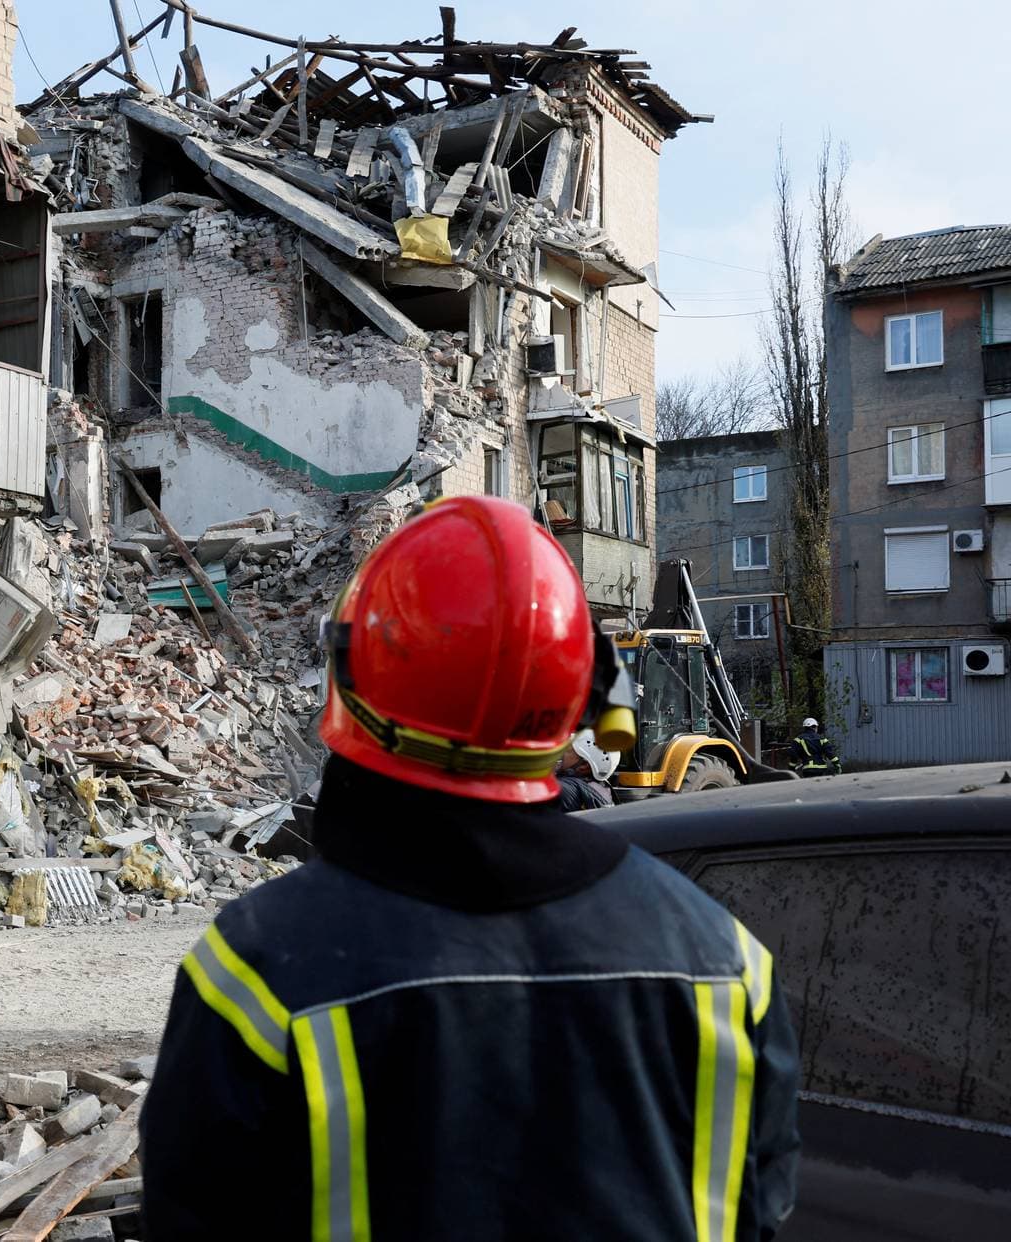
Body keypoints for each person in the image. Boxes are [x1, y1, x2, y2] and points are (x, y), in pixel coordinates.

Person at [140, 497, 801, 1241]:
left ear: (358, 678)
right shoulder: (724, 964)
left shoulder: (256, 973)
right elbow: (760, 1210)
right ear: (578, 697)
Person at [553, 727, 617, 811]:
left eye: (568, 750)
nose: (561, 753)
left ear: (584, 766)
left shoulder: (562, 790)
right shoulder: (600, 787)